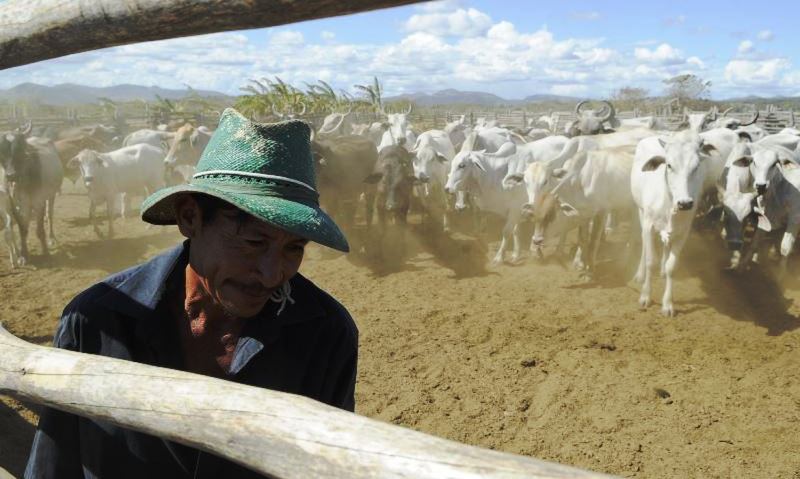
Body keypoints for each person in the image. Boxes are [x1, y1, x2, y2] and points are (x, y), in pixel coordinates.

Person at [25, 109, 358, 478]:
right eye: (253, 242)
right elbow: (53, 466)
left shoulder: (325, 334)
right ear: (190, 218)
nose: (271, 274)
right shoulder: (95, 322)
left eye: (293, 248)